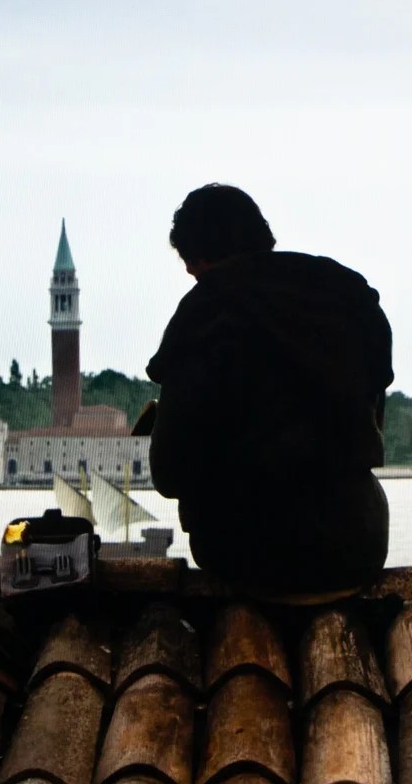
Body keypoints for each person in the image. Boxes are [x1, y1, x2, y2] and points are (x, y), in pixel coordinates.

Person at [145, 183, 393, 604]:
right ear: (265, 238)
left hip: (248, 558)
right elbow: (370, 420)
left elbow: (169, 472)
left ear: (200, 260)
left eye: (191, 265)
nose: (192, 276)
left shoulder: (206, 308)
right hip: (356, 548)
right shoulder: (350, 295)